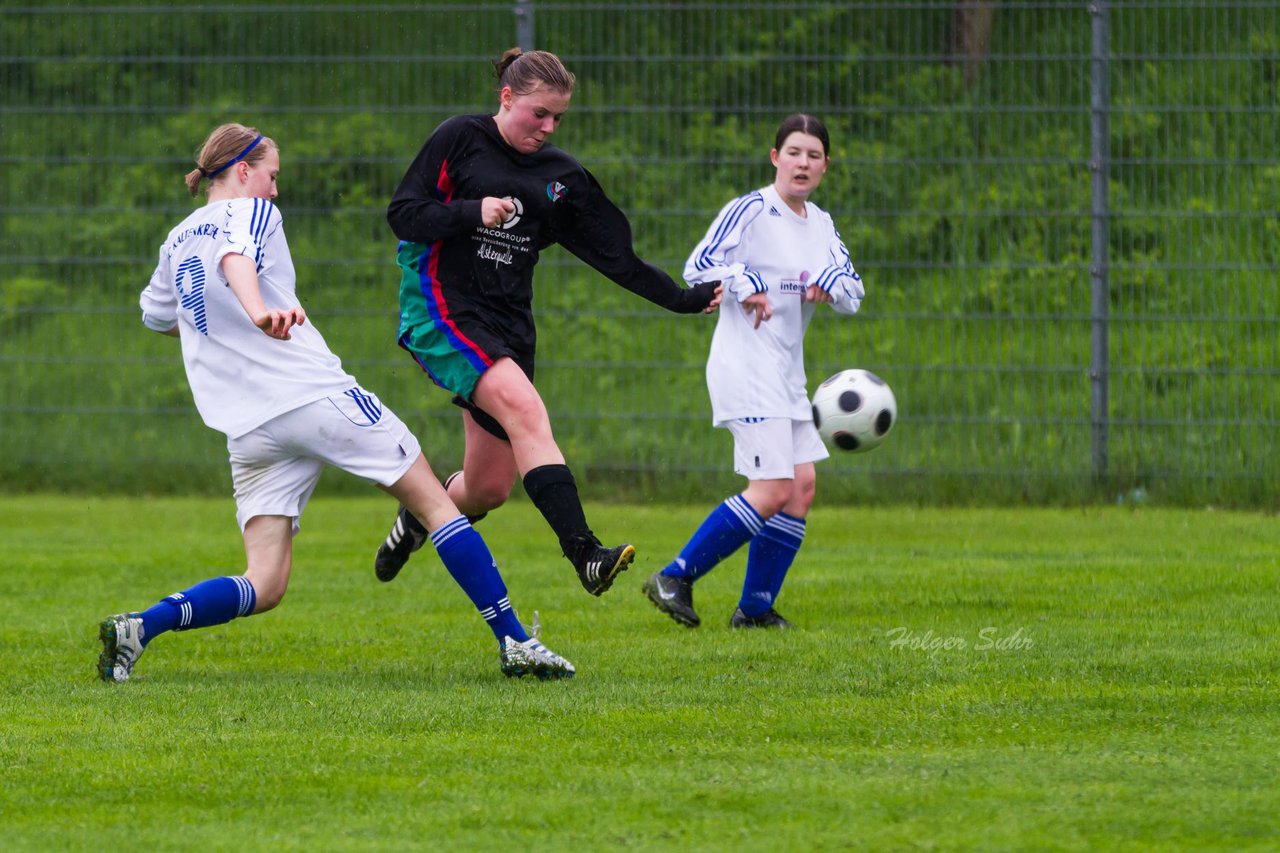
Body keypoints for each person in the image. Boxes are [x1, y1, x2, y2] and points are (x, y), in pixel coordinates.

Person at [98, 122, 574, 683]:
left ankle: (140, 628)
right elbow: (235, 258)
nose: (275, 191)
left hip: (248, 427)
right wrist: (255, 312)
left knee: (265, 582)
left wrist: (225, 329)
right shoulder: (247, 212)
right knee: (437, 506)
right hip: (311, 396)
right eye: (271, 176)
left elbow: (158, 316)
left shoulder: (176, 239)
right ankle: (516, 641)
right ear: (244, 170)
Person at [373, 48, 722, 595]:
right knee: (527, 410)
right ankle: (585, 554)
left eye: (558, 117)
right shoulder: (459, 138)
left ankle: (419, 515)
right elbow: (404, 214)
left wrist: (682, 298)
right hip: (442, 305)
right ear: (506, 97)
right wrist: (473, 211)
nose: (548, 126)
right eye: (539, 113)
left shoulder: (562, 176)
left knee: (487, 488)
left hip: (508, 324)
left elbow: (614, 257)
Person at [641, 114, 864, 629]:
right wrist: (745, 280)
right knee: (771, 488)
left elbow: (853, 293)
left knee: (801, 486)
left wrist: (833, 281)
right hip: (745, 366)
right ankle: (674, 576)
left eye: (813, 155)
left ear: (825, 165)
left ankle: (755, 610)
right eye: (793, 152)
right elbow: (699, 265)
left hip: (787, 373)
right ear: (775, 158)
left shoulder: (823, 225)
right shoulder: (751, 210)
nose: (802, 163)